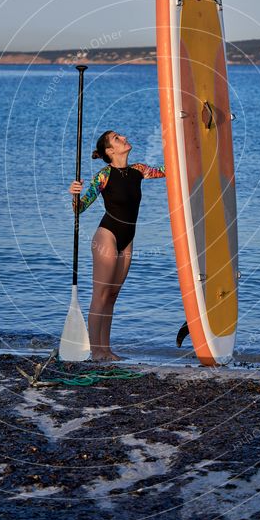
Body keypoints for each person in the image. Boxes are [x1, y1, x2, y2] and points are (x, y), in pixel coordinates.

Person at [68, 130, 165, 361]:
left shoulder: (139, 171)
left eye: (120, 135)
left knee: (112, 295)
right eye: (116, 139)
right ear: (110, 151)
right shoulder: (104, 176)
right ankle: (96, 352)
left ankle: (106, 350)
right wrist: (74, 194)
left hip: (127, 238)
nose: (123, 138)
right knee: (100, 295)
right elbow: (79, 208)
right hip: (107, 236)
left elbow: (168, 170)